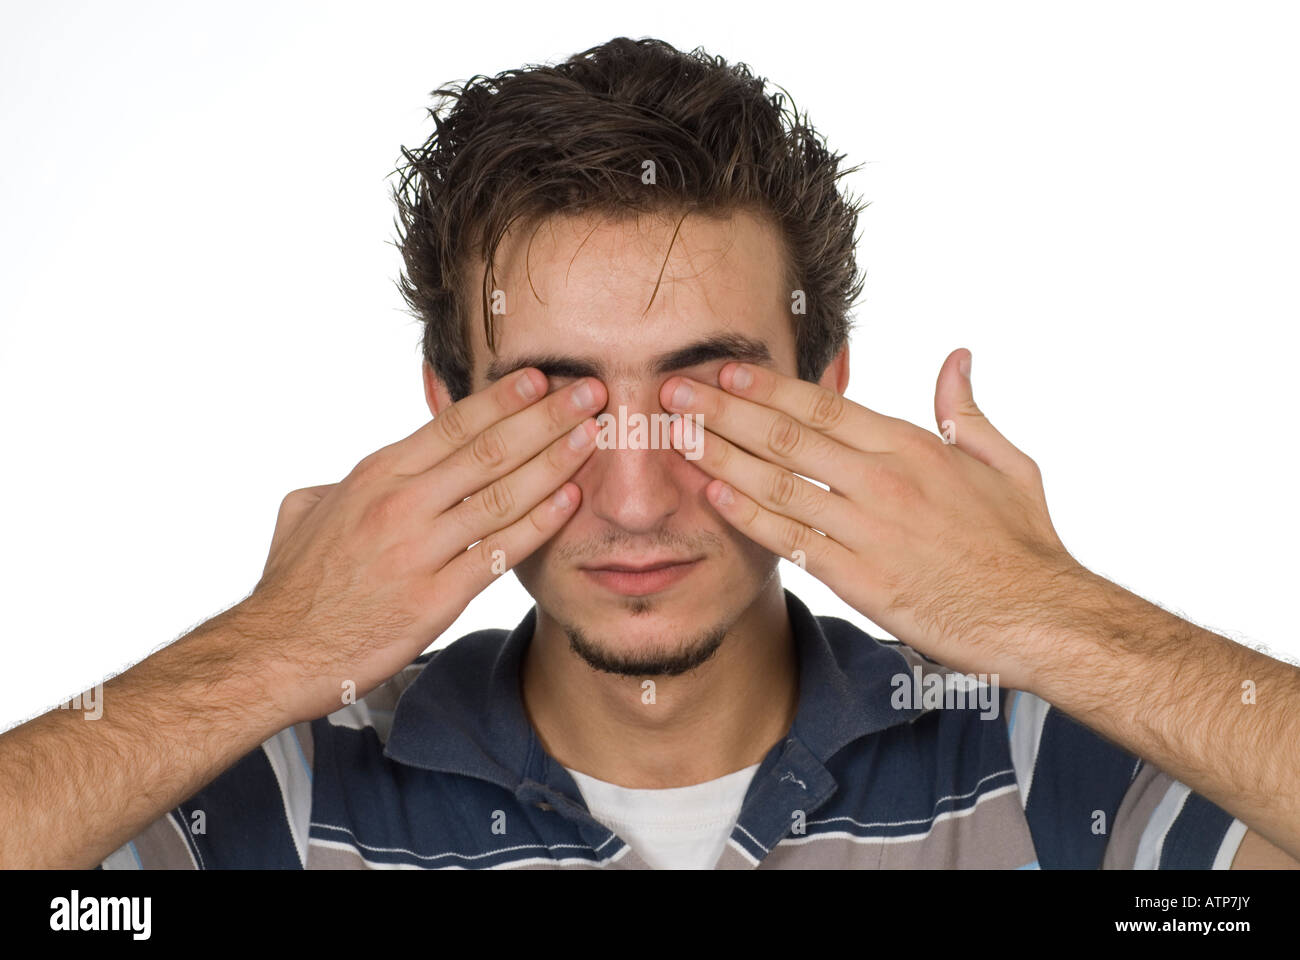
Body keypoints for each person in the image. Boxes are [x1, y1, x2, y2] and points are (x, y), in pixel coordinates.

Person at [2, 36, 1296, 870]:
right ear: (447, 417)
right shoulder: (286, 799)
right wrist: (275, 651)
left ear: (826, 393)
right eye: (552, 407)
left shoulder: (1032, 761)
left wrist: (1041, 612)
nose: (633, 500)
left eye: (706, 401)